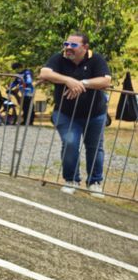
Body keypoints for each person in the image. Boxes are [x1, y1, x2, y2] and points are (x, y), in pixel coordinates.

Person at [39, 33, 111, 197]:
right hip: (65, 114)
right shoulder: (59, 58)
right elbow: (44, 73)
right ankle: (71, 180)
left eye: (73, 45)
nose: (68, 47)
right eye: (66, 44)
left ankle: (94, 182)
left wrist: (82, 83)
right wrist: (68, 80)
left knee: (95, 148)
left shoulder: (96, 59)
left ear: (85, 48)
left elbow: (106, 80)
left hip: (95, 114)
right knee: (70, 143)